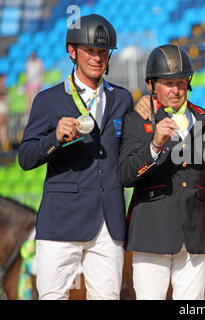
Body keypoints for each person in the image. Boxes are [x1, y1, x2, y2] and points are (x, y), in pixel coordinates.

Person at [18, 14, 134, 300]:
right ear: (72, 51)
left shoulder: (123, 99)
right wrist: (54, 138)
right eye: (90, 50)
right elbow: (26, 158)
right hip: (61, 222)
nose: (97, 57)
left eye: (103, 52)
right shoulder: (48, 100)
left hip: (109, 223)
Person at [118, 44, 205, 300]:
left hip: (196, 234)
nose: (176, 90)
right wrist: (154, 146)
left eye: (182, 82)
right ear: (152, 85)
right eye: (168, 83)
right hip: (152, 232)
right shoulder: (136, 120)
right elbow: (126, 175)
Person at [25, 52, 44, 116]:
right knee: (29, 99)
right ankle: (29, 114)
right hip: (30, 83)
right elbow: (27, 73)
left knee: (35, 98)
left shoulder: (38, 62)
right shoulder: (28, 63)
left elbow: (41, 72)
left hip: (36, 83)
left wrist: (40, 82)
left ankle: (36, 113)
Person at [0, 73, 9, 152]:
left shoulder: (4, 86)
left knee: (4, 129)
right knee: (2, 126)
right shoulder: (1, 86)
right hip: (1, 107)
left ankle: (4, 145)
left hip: (4, 107)